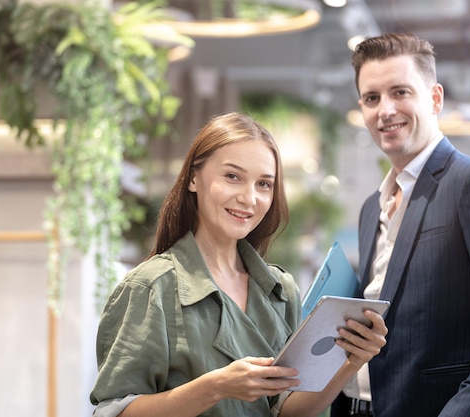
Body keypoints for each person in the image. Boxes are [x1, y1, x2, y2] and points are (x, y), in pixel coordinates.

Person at [90, 112, 388, 417]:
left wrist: (351, 360)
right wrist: (215, 387)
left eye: (263, 184)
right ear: (194, 178)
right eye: (232, 177)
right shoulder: (151, 288)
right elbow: (113, 411)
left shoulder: (279, 291)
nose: (249, 198)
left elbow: (285, 410)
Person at [331, 33, 470, 417]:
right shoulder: (371, 207)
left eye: (400, 92)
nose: (385, 110)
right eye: (371, 98)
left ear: (435, 98)